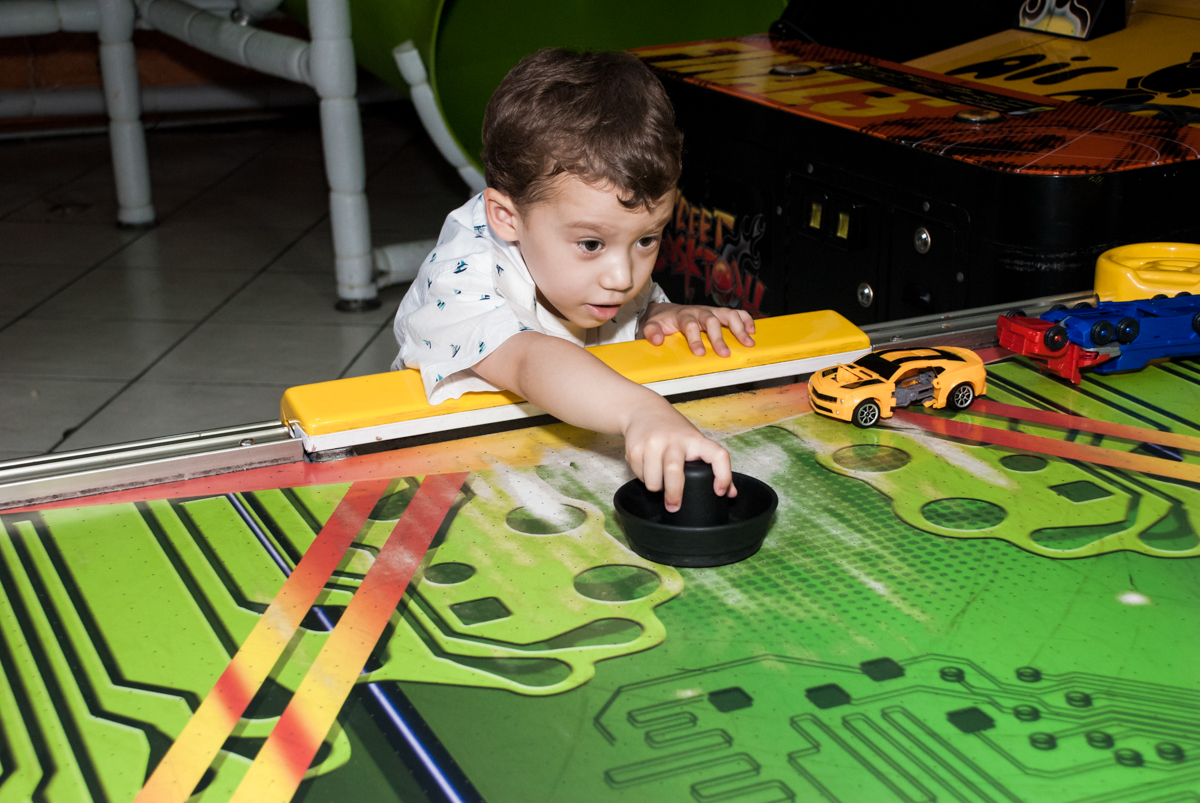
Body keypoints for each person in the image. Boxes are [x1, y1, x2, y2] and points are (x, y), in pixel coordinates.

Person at [391, 48, 755, 511]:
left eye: (647, 240)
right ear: (506, 218)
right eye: (591, 244)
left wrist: (661, 315)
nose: (623, 277)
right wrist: (641, 410)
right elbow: (528, 360)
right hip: (444, 474)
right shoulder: (461, 276)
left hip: (551, 455)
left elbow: (630, 314)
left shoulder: (600, 262)